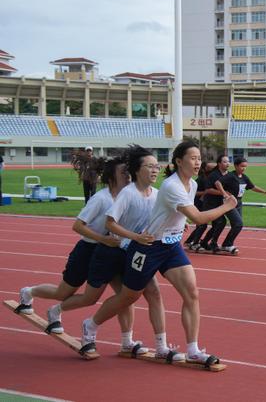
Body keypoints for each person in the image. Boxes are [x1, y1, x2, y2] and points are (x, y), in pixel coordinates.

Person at [81, 141, 237, 364]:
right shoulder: (171, 186)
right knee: (129, 296)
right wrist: (227, 206)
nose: (197, 162)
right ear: (178, 161)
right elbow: (198, 218)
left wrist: (179, 223)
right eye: (192, 158)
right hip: (149, 247)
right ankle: (91, 324)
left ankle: (191, 349)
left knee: (191, 293)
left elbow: (181, 214)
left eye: (199, 158)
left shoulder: (191, 185)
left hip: (171, 246)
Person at [15, 155, 151, 355]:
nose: (128, 176)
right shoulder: (101, 198)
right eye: (123, 172)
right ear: (111, 177)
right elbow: (77, 225)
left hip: (112, 252)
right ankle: (31, 293)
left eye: (128, 172)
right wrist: (102, 239)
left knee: (124, 296)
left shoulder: (128, 196)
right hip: (88, 250)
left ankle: (127, 341)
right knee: (64, 292)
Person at [214, 157, 266, 254]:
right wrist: (224, 194)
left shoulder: (244, 177)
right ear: (236, 166)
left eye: (245, 166)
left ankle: (226, 244)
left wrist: (263, 191)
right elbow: (217, 183)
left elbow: (252, 187)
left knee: (236, 225)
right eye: (242, 166)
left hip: (239, 203)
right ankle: (227, 244)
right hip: (229, 203)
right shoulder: (231, 176)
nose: (244, 168)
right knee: (238, 223)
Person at [198, 155, 231, 251]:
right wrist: (224, 193)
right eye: (225, 162)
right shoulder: (214, 175)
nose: (228, 163)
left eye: (228, 161)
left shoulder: (228, 175)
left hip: (220, 203)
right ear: (219, 164)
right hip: (210, 203)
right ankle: (212, 242)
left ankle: (205, 242)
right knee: (221, 222)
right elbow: (208, 190)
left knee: (218, 224)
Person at [185, 161, 216, 248]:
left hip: (206, 203)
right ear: (205, 169)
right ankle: (194, 243)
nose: (214, 168)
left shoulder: (211, 177)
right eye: (211, 168)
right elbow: (193, 192)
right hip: (198, 203)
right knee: (202, 224)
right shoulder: (201, 179)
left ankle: (190, 241)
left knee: (202, 225)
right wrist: (205, 192)